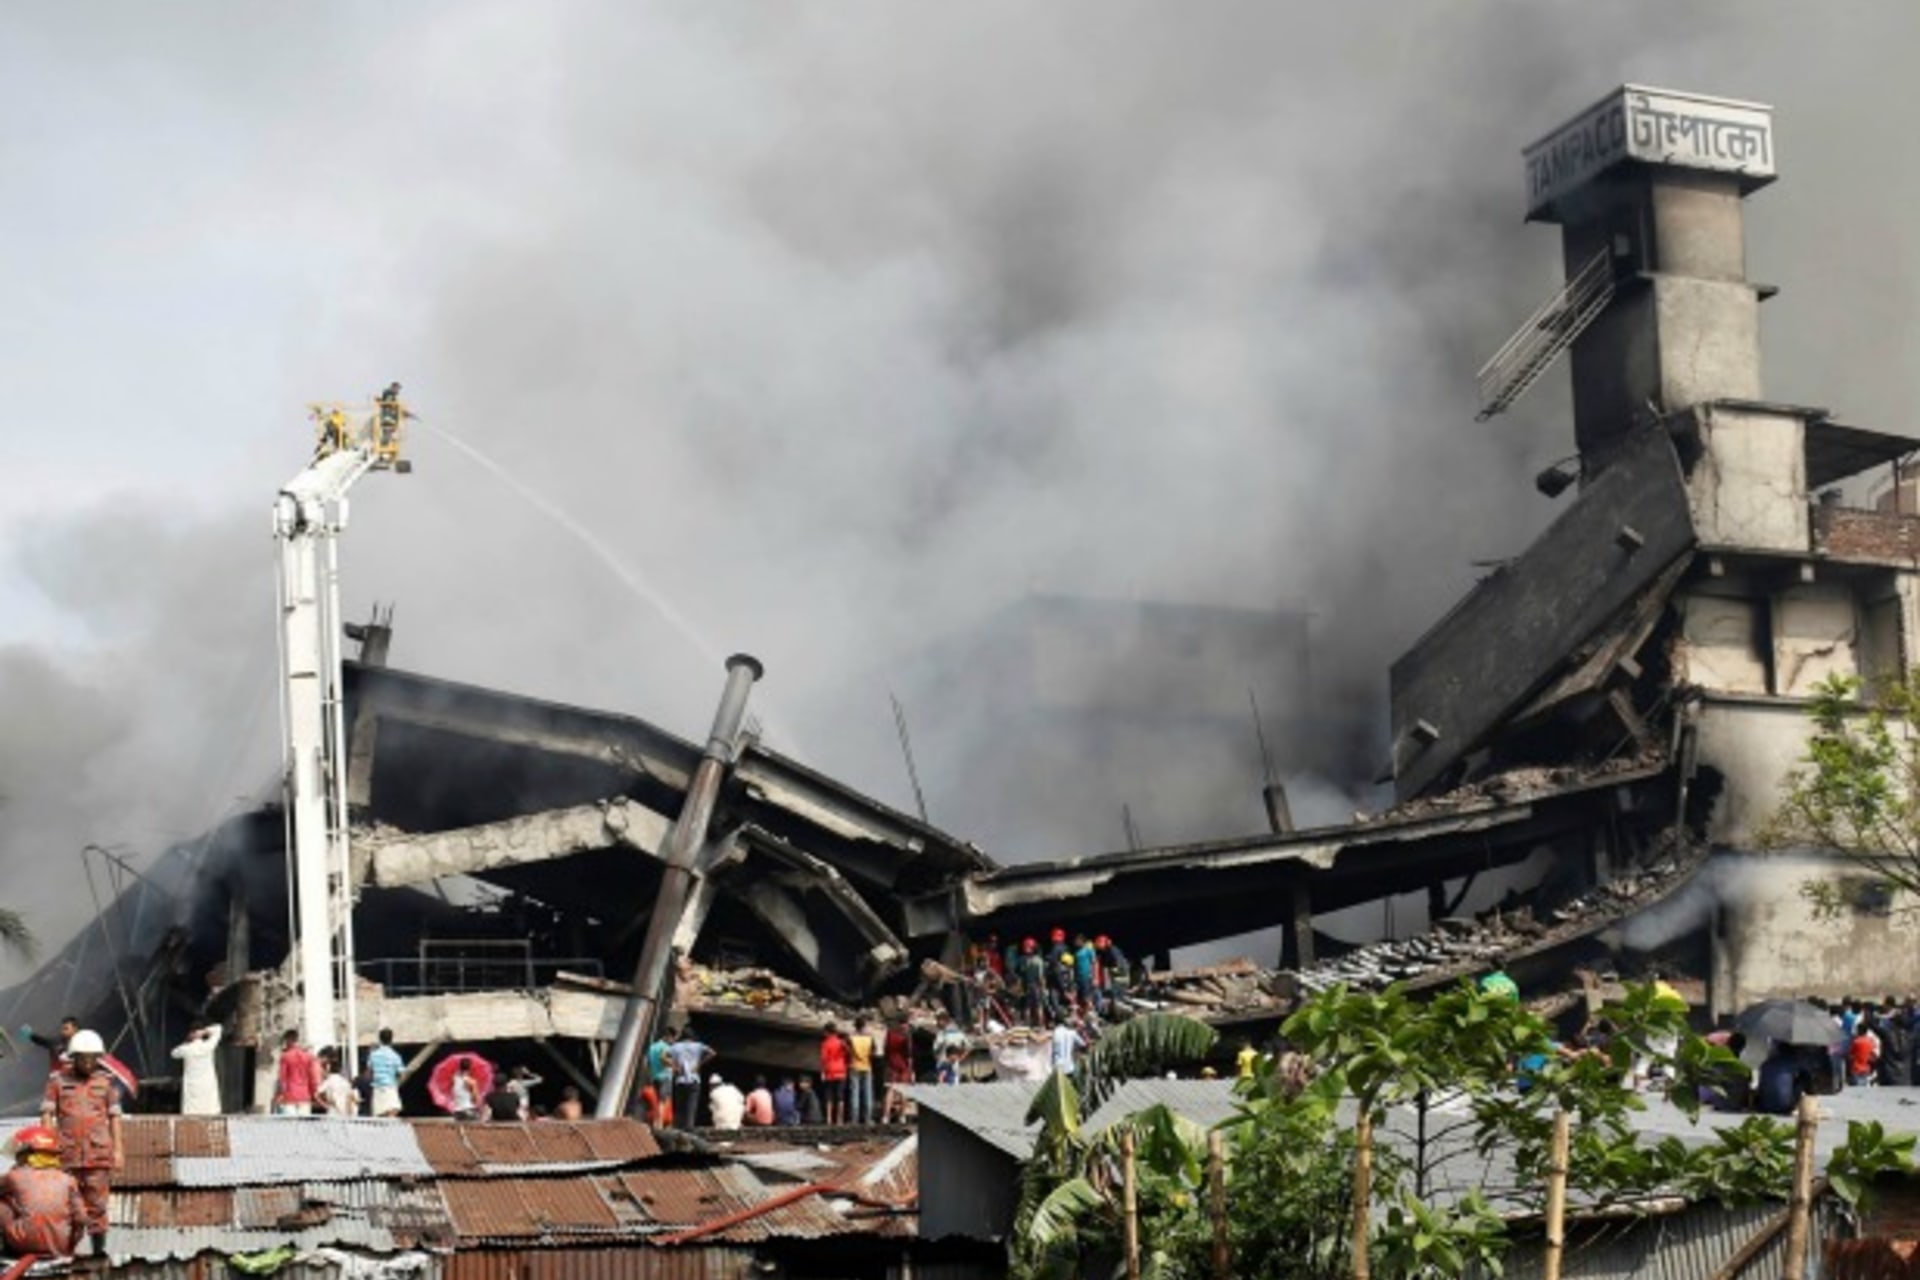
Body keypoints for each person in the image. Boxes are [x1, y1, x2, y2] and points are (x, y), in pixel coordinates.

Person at [41, 1029, 121, 1258]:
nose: (87, 1063)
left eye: (92, 1058)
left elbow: (114, 1117)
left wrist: (118, 1151)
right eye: (83, 1058)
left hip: (98, 1156)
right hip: (66, 1155)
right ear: (73, 1057)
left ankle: (98, 1252)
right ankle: (67, 1253)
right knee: (66, 1207)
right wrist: (47, 1149)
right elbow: (47, 1115)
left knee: (98, 1206)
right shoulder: (57, 1082)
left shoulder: (106, 1083)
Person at [0, 1126, 84, 1259]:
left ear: (26, 1155)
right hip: (61, 1245)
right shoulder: (68, 1180)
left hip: (23, 1243)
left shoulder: (14, 1176)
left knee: (3, 1203)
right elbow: (81, 1218)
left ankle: (8, 1249)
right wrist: (71, 1244)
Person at [667, 1028, 715, 1131]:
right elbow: (712, 1053)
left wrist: (675, 1067)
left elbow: (663, 1056)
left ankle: (677, 1128)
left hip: (680, 1080)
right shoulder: (698, 1046)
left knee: (680, 1108)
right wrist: (699, 1064)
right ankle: (689, 1129)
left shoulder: (676, 1046)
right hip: (694, 1080)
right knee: (691, 1108)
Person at [171, 1020, 223, 1116]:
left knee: (192, 1114)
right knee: (209, 1111)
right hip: (207, 1085)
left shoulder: (186, 1049)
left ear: (191, 1033)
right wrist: (204, 1032)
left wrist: (187, 1041)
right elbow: (218, 1028)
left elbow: (174, 1053)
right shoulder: (208, 1046)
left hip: (192, 1087)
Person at [273, 1030, 322, 1116]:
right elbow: (313, 1078)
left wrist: (280, 1094)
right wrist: (314, 1092)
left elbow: (282, 1079)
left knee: (291, 1123)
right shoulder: (308, 1056)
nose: (285, 1044)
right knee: (304, 1123)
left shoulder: (285, 1056)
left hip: (290, 1096)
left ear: (288, 1040)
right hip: (305, 1095)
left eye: (285, 1041)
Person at [1756, 1042, 1810, 1116]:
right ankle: (1809, 1100)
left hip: (1764, 1105)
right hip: (1785, 1107)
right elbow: (1805, 1074)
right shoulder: (1793, 1062)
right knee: (1804, 1076)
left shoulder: (1767, 1063)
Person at [367, 1029, 405, 1118]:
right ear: (391, 1040)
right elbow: (400, 1073)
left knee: (379, 1117)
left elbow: (370, 1071)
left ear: (380, 1039)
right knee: (393, 1112)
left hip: (377, 1088)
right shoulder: (395, 1056)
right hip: (390, 1086)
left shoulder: (373, 1055)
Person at [883, 1019, 914, 1122]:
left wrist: (887, 1061)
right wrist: (911, 1069)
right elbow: (909, 1053)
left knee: (890, 1090)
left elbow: (886, 1049)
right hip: (904, 1066)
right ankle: (902, 1116)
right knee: (903, 1091)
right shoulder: (907, 1036)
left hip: (892, 1064)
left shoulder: (890, 1034)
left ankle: (886, 1116)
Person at [819, 1023, 850, 1125]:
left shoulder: (825, 1043)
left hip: (830, 1072)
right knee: (840, 1097)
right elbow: (848, 1054)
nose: (824, 1034)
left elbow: (824, 1059)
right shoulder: (841, 1042)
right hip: (841, 1071)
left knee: (829, 1096)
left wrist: (823, 1072)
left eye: (824, 1032)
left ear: (827, 1032)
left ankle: (829, 1119)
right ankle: (839, 1119)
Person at [847, 1018, 876, 1125]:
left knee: (855, 1093)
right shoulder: (870, 1037)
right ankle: (868, 1118)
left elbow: (848, 1050)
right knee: (868, 1092)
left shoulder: (851, 1037)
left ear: (855, 1026)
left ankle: (854, 1119)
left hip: (854, 1066)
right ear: (864, 1026)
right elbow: (874, 1051)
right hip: (867, 1066)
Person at [645, 1034, 675, 1123]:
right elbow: (663, 1058)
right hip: (665, 1076)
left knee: (657, 1100)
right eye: (673, 1039)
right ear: (668, 1036)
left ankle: (655, 1121)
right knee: (662, 1100)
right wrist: (674, 1065)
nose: (673, 1041)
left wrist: (649, 1074)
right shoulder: (666, 1047)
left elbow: (646, 1062)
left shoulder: (652, 1047)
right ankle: (659, 1122)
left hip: (655, 1076)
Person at [316, 1053, 356, 1117]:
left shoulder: (329, 1081)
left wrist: (325, 1105)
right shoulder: (345, 1082)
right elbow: (350, 1098)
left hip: (333, 1112)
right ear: (340, 1070)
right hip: (344, 1113)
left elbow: (316, 1095)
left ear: (329, 1069)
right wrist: (350, 1114)